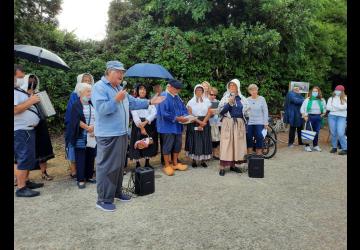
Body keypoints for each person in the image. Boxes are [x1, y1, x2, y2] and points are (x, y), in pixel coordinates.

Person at [91, 61, 165, 212]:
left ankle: (116, 192)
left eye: (122, 72)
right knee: (107, 167)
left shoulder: (119, 88)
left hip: (121, 133)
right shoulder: (99, 87)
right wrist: (116, 99)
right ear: (109, 72)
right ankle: (103, 199)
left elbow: (133, 102)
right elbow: (102, 109)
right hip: (108, 134)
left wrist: (150, 101)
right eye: (118, 72)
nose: (121, 75)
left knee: (119, 166)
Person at [14, 65, 44, 197]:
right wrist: (31, 100)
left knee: (28, 157)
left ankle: (25, 181)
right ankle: (21, 188)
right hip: (21, 130)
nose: (22, 79)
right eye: (20, 77)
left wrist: (29, 97)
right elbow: (15, 110)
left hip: (27, 130)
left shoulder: (18, 90)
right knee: (23, 157)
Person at [19, 74, 55, 181]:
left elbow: (48, 110)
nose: (32, 82)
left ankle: (44, 173)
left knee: (43, 149)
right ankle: (24, 178)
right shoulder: (21, 96)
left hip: (41, 125)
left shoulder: (39, 94)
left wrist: (43, 100)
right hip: (26, 127)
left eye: (34, 80)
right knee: (27, 152)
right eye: (30, 80)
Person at [67, 82, 97, 189]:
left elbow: (97, 117)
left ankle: (89, 176)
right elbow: (75, 120)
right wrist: (87, 128)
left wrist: (93, 128)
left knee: (91, 155)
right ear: (81, 92)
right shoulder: (76, 104)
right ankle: (80, 179)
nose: (90, 93)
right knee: (80, 157)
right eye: (88, 91)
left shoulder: (92, 104)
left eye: (90, 91)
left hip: (92, 135)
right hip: (80, 135)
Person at [156, 79, 189, 176]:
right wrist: (177, 118)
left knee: (177, 145)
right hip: (167, 127)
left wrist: (186, 116)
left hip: (178, 126)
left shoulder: (177, 97)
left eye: (179, 89)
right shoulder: (163, 96)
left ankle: (175, 163)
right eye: (176, 88)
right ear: (169, 87)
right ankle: (167, 165)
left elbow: (183, 108)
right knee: (167, 146)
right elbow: (163, 113)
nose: (177, 90)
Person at [218, 79, 249, 176]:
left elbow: (246, 113)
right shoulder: (225, 98)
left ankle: (233, 165)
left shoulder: (242, 98)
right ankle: (222, 167)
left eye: (234, 86)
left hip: (239, 123)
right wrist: (229, 103)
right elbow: (221, 112)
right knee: (227, 144)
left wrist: (245, 118)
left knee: (237, 144)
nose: (232, 87)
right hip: (228, 123)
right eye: (230, 85)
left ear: (237, 87)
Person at [129, 84, 158, 168]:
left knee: (148, 142)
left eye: (144, 89)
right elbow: (134, 114)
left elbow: (154, 113)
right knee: (138, 143)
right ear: (137, 91)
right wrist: (141, 127)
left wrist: (146, 121)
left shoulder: (149, 101)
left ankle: (147, 162)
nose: (143, 91)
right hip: (137, 125)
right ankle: (137, 163)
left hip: (148, 124)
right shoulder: (134, 101)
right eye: (141, 89)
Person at [185, 84, 213, 168]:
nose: (199, 92)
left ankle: (203, 161)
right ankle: (194, 160)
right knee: (195, 140)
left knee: (204, 140)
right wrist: (198, 122)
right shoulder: (191, 101)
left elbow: (209, 112)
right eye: (197, 90)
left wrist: (203, 122)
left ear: (203, 91)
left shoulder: (207, 101)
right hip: (194, 122)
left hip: (205, 122)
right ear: (194, 91)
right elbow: (189, 114)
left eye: (200, 90)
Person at [300, 86, 327, 152]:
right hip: (309, 116)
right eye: (314, 91)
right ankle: (307, 146)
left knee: (316, 132)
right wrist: (304, 116)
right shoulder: (308, 99)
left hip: (318, 117)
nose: (315, 92)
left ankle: (315, 145)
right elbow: (302, 108)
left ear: (319, 92)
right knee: (308, 132)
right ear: (312, 92)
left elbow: (324, 108)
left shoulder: (322, 100)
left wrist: (323, 114)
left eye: (316, 91)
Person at [246, 84, 269, 155]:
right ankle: (249, 153)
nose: (253, 91)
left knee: (259, 136)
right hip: (249, 122)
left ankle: (258, 153)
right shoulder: (247, 100)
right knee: (249, 136)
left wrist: (265, 123)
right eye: (251, 90)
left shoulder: (262, 99)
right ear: (249, 91)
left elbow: (265, 111)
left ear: (257, 90)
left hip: (260, 121)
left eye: (255, 89)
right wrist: (247, 110)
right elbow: (244, 111)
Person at [326, 85, 347, 155]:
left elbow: (344, 107)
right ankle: (334, 147)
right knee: (333, 132)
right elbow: (328, 107)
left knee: (341, 132)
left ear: (342, 91)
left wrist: (334, 106)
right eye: (336, 90)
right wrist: (339, 107)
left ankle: (345, 148)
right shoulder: (331, 98)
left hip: (342, 117)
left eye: (339, 90)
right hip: (332, 116)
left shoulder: (345, 98)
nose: (337, 91)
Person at [208, 87, 221, 159]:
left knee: (216, 140)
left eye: (215, 95)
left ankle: (215, 154)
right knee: (209, 139)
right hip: (209, 122)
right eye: (211, 94)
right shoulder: (206, 101)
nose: (213, 96)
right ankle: (208, 154)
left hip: (217, 123)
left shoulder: (218, 102)